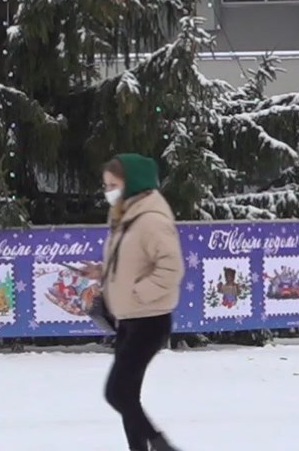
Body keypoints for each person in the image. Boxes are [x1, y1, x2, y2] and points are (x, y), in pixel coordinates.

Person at [96, 154, 183, 451]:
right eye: (106, 185)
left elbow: (171, 269)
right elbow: (132, 264)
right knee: (128, 396)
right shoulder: (126, 218)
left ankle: (162, 445)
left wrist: (138, 293)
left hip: (150, 320)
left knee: (117, 393)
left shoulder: (152, 221)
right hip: (129, 319)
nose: (108, 190)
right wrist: (102, 273)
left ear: (132, 183)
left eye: (114, 184)